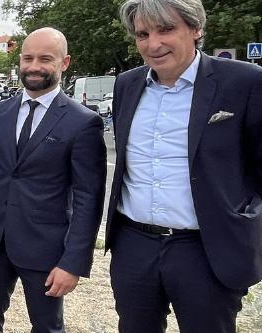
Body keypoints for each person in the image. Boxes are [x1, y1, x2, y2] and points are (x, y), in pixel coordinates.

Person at [105, 0, 262, 332]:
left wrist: (244, 221)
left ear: (195, 29)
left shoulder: (244, 82)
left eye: (166, 29)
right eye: (143, 34)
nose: (153, 44)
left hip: (205, 250)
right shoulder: (126, 85)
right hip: (135, 246)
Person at [0, 28, 107, 332]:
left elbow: (88, 199)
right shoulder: (0, 113)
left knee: (46, 326)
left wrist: (73, 262)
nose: (34, 66)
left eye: (45, 59)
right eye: (27, 58)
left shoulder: (82, 122)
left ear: (64, 62)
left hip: (45, 245)